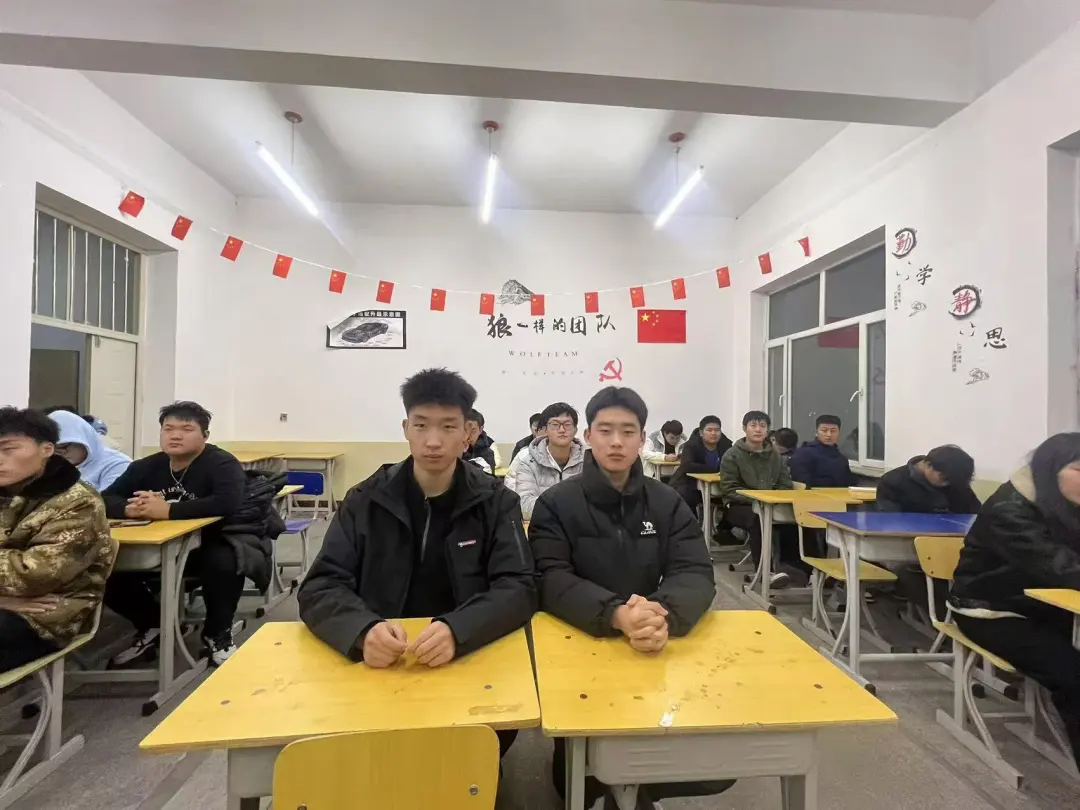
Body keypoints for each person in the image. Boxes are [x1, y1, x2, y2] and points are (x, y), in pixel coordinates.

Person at [298, 368, 536, 759]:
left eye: (448, 426)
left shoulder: (496, 502)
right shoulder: (365, 500)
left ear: (467, 433)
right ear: (406, 428)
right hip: (385, 659)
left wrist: (459, 629)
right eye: (421, 425)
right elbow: (320, 586)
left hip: (469, 655)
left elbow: (519, 587)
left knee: (476, 749)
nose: (433, 441)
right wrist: (362, 630)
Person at [529, 387, 727, 808]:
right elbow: (549, 577)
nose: (616, 442)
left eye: (627, 431)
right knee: (576, 784)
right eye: (605, 431)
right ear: (588, 436)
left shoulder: (666, 501)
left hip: (653, 642)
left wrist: (662, 614)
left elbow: (694, 570)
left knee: (713, 770)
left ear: (641, 438)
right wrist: (616, 614)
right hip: (579, 641)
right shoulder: (556, 504)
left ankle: (637, 786)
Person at [950, 434, 1080, 767]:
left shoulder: (1066, 502)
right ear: (1050, 470)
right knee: (1073, 674)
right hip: (991, 609)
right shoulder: (1010, 508)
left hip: (1048, 607)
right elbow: (1059, 566)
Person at [102, 401, 247, 665]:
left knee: (225, 562)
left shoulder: (222, 464)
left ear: (205, 435)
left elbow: (227, 502)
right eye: (168, 429)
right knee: (103, 566)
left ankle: (218, 633)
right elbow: (104, 499)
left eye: (186, 429)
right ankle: (154, 624)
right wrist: (129, 509)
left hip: (209, 541)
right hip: (152, 545)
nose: (175, 435)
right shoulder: (145, 467)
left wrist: (168, 510)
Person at [0, 407, 115, 673]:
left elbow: (35, 574)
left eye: (9, 449)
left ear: (47, 449)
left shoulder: (78, 502)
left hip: (43, 617)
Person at [718, 410, 800, 586]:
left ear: (768, 430)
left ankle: (798, 572)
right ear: (744, 428)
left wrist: (771, 500)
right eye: (753, 425)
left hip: (771, 504)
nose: (758, 429)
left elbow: (785, 484)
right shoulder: (732, 455)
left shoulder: (775, 456)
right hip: (739, 505)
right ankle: (765, 572)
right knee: (758, 519)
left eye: (762, 426)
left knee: (800, 518)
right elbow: (729, 489)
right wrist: (758, 500)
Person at [504, 402, 586, 519]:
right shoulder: (527, 459)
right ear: (545, 430)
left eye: (567, 424)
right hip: (543, 526)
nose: (562, 430)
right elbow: (525, 507)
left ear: (575, 430)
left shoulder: (588, 459)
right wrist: (569, 506)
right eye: (555, 424)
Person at [876, 445, 980, 513]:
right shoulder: (892, 481)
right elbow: (891, 521)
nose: (947, 484)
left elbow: (976, 513)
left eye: (951, 482)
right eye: (944, 479)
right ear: (929, 465)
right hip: (911, 536)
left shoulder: (955, 480)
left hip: (954, 536)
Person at [48, 409, 131, 491]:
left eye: (63, 447)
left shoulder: (117, 464)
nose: (59, 453)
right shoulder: (52, 465)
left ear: (83, 439)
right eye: (53, 449)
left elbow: (109, 498)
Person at [670, 415, 733, 508]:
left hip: (718, 484)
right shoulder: (691, 445)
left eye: (717, 430)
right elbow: (687, 466)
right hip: (689, 483)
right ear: (701, 433)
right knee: (686, 496)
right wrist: (715, 470)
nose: (713, 433)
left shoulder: (727, 445)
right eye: (709, 430)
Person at [789, 415, 856, 488]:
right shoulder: (803, 454)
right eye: (824, 430)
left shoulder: (842, 459)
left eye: (833, 431)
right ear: (816, 432)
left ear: (839, 433)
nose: (829, 435)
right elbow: (801, 485)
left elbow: (848, 484)